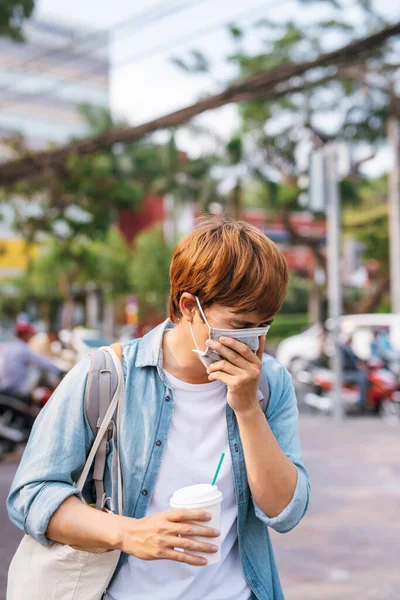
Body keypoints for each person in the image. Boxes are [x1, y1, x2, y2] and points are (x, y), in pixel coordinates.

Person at [7, 216, 310, 600]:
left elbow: (286, 511)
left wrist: (247, 408)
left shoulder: (270, 383)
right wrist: (128, 533)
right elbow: (31, 494)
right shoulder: (106, 375)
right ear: (188, 306)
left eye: (263, 327)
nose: (252, 342)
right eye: (239, 325)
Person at [0, 322, 64, 398]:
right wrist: (60, 370)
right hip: (18, 388)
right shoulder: (23, 349)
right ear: (25, 334)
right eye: (30, 334)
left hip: (4, 385)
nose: (31, 336)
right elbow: (43, 362)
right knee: (39, 370)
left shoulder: (8, 346)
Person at [340, 334, 369, 410]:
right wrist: (357, 365)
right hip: (347, 373)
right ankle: (361, 401)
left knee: (365, 375)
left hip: (351, 371)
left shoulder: (348, 348)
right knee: (362, 379)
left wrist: (364, 361)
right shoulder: (344, 349)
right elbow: (348, 363)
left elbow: (356, 358)